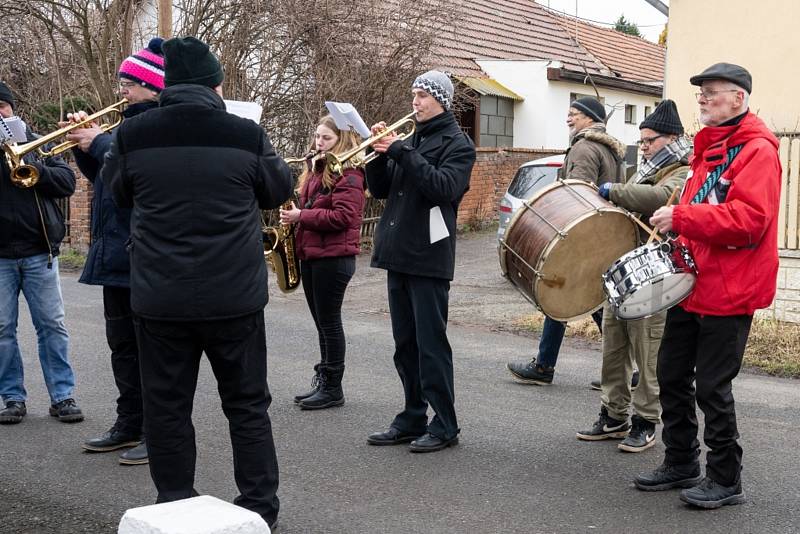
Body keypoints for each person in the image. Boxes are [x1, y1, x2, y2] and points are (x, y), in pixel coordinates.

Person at [101, 36, 292, 528]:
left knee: (166, 408)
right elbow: (278, 189)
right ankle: (259, 512)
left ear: (166, 85)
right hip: (235, 297)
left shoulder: (132, 135)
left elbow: (119, 195)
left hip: (160, 298)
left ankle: (175, 506)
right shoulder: (245, 133)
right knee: (247, 406)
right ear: (216, 84)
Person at [636, 63, 780, 509]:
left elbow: (750, 222)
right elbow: (705, 209)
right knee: (671, 374)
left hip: (730, 288)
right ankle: (681, 460)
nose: (702, 99)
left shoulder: (756, 151)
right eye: (700, 93)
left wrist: (682, 217)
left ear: (739, 98)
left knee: (712, 387)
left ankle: (726, 478)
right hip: (692, 283)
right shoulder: (709, 147)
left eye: (712, 93)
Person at [61, 38, 165, 465]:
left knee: (150, 353)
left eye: (129, 82)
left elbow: (139, 176)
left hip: (141, 256)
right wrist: (79, 146)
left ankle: (156, 434)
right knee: (121, 347)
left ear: (151, 86)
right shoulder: (121, 128)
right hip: (114, 254)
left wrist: (100, 142)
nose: (121, 88)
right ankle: (129, 423)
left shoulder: (154, 127)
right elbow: (106, 178)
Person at [364, 70, 475, 452]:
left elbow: (443, 187)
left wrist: (399, 151)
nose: (415, 101)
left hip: (428, 256)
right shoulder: (411, 140)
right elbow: (380, 190)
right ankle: (412, 416)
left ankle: (445, 423)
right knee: (405, 344)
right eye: (413, 94)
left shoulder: (459, 144)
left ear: (440, 100)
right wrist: (375, 154)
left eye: (422, 96)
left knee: (431, 345)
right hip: (398, 253)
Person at [576, 100, 690, 452]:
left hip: (656, 275)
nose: (643, 148)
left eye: (649, 141)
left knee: (648, 352)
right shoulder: (647, 168)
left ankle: (645, 420)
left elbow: (658, 198)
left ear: (670, 138)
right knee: (614, 346)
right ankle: (614, 415)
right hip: (624, 270)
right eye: (640, 141)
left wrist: (611, 189)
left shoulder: (683, 168)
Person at [506, 96, 625, 386]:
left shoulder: (584, 147)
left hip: (581, 235)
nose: (568, 119)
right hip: (602, 232)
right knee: (580, 296)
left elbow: (576, 195)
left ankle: (551, 367)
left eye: (573, 114)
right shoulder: (611, 149)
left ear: (589, 119)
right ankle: (550, 365)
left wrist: (564, 235)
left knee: (564, 293)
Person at [0, 81, 82, 425]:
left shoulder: (38, 144)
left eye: (1, 107)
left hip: (39, 252)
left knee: (52, 325)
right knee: (2, 329)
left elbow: (67, 182)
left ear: (11, 109)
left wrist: (35, 169)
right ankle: (13, 398)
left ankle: (62, 396)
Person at [280, 116, 365, 410]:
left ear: (342, 140)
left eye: (326, 138)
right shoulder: (316, 170)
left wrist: (301, 217)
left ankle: (333, 387)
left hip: (334, 258)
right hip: (314, 255)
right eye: (317, 136)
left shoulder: (350, 174)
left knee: (329, 323)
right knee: (321, 324)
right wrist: (296, 213)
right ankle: (325, 379)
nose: (319, 143)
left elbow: (344, 218)